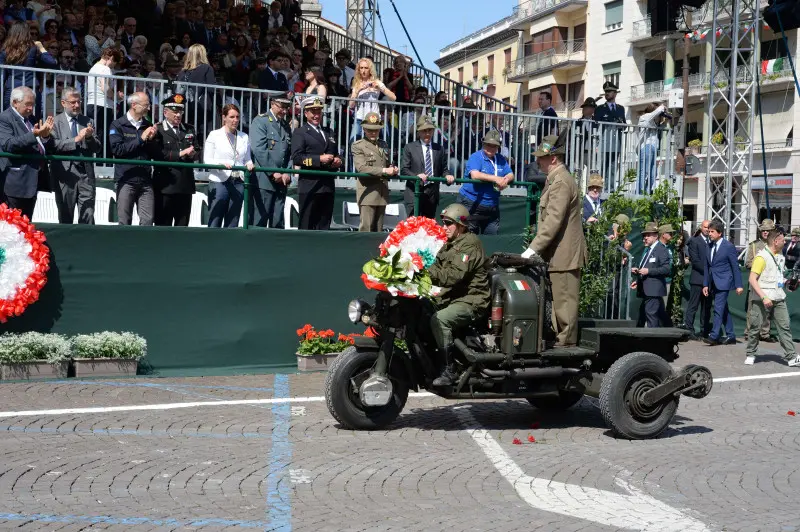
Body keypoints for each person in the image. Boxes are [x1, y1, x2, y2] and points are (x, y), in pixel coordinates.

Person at [521, 134, 587, 347]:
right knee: (559, 303)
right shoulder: (556, 179)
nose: (538, 161)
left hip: (565, 255)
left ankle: (566, 347)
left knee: (565, 305)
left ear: (554, 159)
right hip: (559, 254)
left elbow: (553, 221)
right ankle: (561, 342)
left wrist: (533, 249)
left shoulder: (561, 182)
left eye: (542, 157)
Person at [427, 203, 491, 386]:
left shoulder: (470, 244)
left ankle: (450, 370)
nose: (444, 227)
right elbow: (438, 267)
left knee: (440, 320)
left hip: (472, 301)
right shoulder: (450, 244)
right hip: (453, 297)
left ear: (461, 225)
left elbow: (453, 276)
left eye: (449, 223)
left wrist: (424, 269)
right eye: (443, 223)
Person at [744, 229, 800, 366]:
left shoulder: (780, 255)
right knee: (755, 326)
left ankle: (792, 356)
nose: (785, 241)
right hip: (762, 297)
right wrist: (764, 297)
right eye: (782, 239)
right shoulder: (761, 257)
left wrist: (789, 282)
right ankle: (750, 353)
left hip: (778, 296)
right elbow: (752, 279)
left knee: (784, 325)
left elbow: (779, 275)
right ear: (775, 241)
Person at [0, 86, 54, 218]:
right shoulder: (5, 118)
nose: (31, 108)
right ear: (15, 102)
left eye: (33, 105)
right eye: (27, 104)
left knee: (26, 226)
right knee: (13, 227)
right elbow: (9, 144)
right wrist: (33, 134)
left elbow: (41, 144)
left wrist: (45, 136)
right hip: (15, 183)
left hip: (31, 181)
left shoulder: (31, 118)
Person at [50, 86, 101, 224]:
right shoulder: (55, 122)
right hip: (65, 175)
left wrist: (89, 138)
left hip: (85, 174)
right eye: (73, 102)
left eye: (79, 102)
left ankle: (87, 244)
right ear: (63, 103)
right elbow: (53, 146)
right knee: (65, 215)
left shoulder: (88, 121)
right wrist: (76, 140)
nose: (77, 105)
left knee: (88, 215)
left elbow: (97, 148)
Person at [290, 96, 342, 230]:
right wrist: (319, 159)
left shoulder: (329, 132)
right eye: (313, 112)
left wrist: (338, 160)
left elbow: (335, 153)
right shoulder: (300, 132)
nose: (316, 115)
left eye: (318, 112)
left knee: (324, 224)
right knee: (307, 224)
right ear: (306, 113)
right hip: (310, 184)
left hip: (327, 184)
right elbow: (297, 157)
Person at [108, 92, 160, 226]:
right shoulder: (118, 124)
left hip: (145, 180)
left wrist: (152, 140)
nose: (148, 108)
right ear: (134, 105)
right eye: (146, 105)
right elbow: (117, 150)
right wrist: (141, 139)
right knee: (124, 221)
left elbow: (155, 154)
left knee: (148, 220)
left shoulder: (148, 125)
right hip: (126, 179)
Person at [203, 103, 255, 228]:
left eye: (237, 117)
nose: (235, 120)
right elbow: (207, 160)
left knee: (233, 220)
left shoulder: (244, 136)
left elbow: (247, 158)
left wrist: (250, 164)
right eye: (232, 117)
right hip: (220, 180)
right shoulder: (214, 135)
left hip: (238, 181)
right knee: (215, 219)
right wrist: (221, 164)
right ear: (224, 117)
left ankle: (229, 247)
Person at [153, 93, 201, 227]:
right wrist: (180, 153)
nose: (178, 115)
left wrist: (193, 154)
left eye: (180, 111)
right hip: (166, 186)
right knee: (163, 226)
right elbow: (158, 154)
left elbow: (197, 149)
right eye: (174, 112)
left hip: (185, 185)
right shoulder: (159, 129)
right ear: (165, 112)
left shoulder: (189, 129)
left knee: (182, 226)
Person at [249, 93, 293, 229]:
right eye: (282, 107)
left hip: (281, 182)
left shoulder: (285, 125)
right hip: (264, 181)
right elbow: (259, 149)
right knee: (259, 222)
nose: (284, 111)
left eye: (287, 107)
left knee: (278, 223)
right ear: (272, 104)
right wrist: (274, 172)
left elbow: (290, 153)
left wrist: (287, 172)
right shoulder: (260, 121)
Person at [400, 114, 455, 219]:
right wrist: (417, 176)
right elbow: (404, 170)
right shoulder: (409, 147)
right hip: (414, 193)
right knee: (412, 226)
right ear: (418, 132)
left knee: (429, 228)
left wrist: (448, 175)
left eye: (430, 130)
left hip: (432, 195)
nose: (427, 134)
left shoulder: (439, 148)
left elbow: (443, 169)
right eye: (424, 131)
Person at [459, 129, 513, 235]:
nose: (491, 148)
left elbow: (511, 174)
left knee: (491, 238)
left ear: (498, 147)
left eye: (494, 146)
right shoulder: (476, 156)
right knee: (468, 238)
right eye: (489, 145)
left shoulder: (500, 158)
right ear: (484, 144)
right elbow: (475, 175)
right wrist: (496, 178)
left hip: (492, 205)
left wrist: (505, 180)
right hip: (472, 203)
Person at [351, 112, 397, 232]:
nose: (373, 132)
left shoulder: (383, 144)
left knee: (379, 230)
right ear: (364, 129)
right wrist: (384, 170)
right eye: (370, 130)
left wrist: (393, 169)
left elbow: (386, 163)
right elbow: (361, 168)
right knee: (366, 229)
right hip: (368, 192)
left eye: (376, 130)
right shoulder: (358, 145)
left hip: (382, 192)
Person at [703, 219, 744, 345]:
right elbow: (707, 266)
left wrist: (739, 285)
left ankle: (714, 335)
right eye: (709, 231)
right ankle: (731, 335)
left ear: (719, 233)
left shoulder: (728, 246)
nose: (709, 234)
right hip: (713, 282)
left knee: (718, 308)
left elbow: (735, 266)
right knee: (723, 309)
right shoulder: (709, 246)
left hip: (724, 281)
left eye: (712, 231)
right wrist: (705, 284)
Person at [630, 222, 671, 328]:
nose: (645, 238)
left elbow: (666, 269)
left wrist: (648, 271)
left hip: (654, 290)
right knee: (654, 315)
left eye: (648, 235)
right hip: (647, 289)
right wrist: (638, 276)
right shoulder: (648, 250)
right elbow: (646, 267)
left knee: (651, 316)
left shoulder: (661, 250)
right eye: (644, 236)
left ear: (656, 236)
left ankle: (653, 342)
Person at [744, 218, 776, 342]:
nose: (765, 232)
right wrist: (761, 266)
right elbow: (748, 263)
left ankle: (764, 333)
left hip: (769, 282)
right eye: (763, 230)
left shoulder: (775, 245)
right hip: (755, 281)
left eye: (768, 230)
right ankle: (750, 333)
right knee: (752, 308)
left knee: (768, 308)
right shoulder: (754, 245)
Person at [593, 81, 626, 191]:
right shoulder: (600, 108)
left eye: (610, 91)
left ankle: (611, 189)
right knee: (602, 166)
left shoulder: (621, 108)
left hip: (616, 142)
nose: (607, 93)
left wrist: (621, 124)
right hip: (604, 142)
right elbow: (596, 124)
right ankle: (600, 188)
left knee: (612, 167)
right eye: (606, 92)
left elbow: (624, 125)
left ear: (615, 93)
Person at [684, 220, 712, 339]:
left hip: (709, 281)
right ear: (701, 227)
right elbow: (695, 261)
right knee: (693, 306)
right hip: (697, 279)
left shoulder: (713, 242)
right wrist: (710, 272)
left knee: (706, 308)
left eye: (709, 228)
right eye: (705, 227)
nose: (707, 229)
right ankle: (690, 330)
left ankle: (704, 331)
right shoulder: (694, 241)